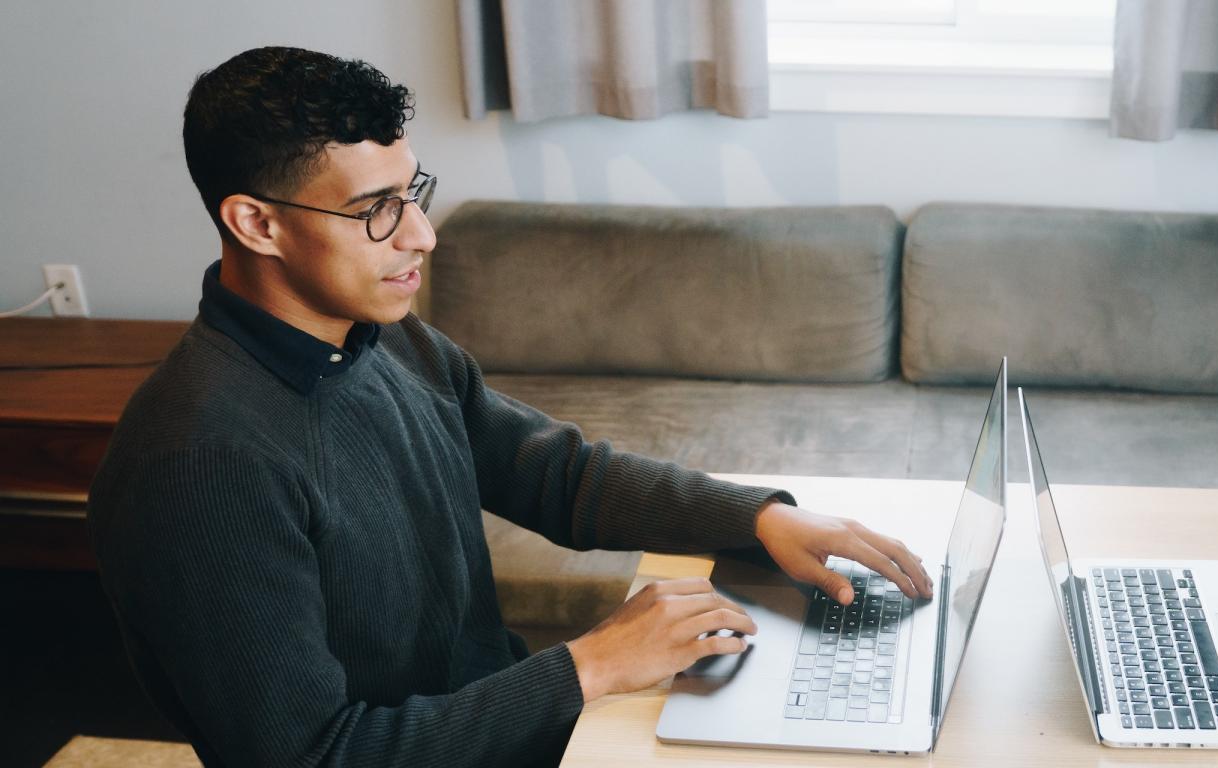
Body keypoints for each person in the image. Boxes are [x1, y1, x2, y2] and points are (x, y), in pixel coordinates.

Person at [86, 46, 933, 767]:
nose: (421, 232)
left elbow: (555, 475)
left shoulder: (386, 340)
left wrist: (755, 519)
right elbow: (315, 754)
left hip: (514, 730)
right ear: (256, 225)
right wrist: (592, 666)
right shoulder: (199, 462)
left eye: (410, 191)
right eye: (374, 211)